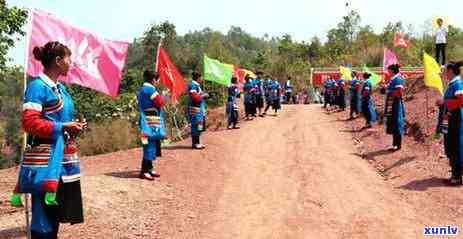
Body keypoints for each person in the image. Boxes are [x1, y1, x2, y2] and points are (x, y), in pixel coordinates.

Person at [12, 41, 85, 238]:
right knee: (42, 218)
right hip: (46, 161)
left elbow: (62, 121)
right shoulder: (38, 87)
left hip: (64, 160)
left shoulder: (60, 88)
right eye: (69, 58)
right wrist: (62, 127)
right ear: (58, 61)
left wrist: (73, 128)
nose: (71, 63)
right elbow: (29, 123)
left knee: (55, 213)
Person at [435, 62, 463, 185]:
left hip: (455, 120)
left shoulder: (457, 84)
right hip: (450, 120)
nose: (445, 73)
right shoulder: (453, 84)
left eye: (446, 71)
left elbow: (461, 101)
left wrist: (443, 102)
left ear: (451, 71)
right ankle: (454, 174)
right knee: (451, 147)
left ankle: (457, 177)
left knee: (455, 147)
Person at [137, 70, 166, 180]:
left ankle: (149, 168)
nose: (158, 82)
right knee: (149, 145)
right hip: (150, 123)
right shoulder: (150, 89)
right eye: (158, 80)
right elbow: (160, 102)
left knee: (150, 144)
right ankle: (144, 171)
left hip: (146, 122)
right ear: (153, 80)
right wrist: (163, 96)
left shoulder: (142, 90)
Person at [384, 64, 405, 151]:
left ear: (392, 70)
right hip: (391, 104)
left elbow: (399, 92)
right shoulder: (393, 80)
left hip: (396, 104)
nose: (388, 72)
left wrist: (388, 91)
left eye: (388, 70)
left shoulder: (397, 79)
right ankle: (394, 144)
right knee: (393, 123)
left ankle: (398, 145)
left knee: (396, 122)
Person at [188, 72, 208, 149]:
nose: (202, 79)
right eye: (201, 78)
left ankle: (198, 142)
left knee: (200, 126)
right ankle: (195, 143)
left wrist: (203, 95)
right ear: (198, 78)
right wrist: (203, 95)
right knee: (196, 125)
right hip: (195, 109)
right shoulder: (193, 85)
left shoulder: (197, 85)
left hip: (199, 109)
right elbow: (194, 97)